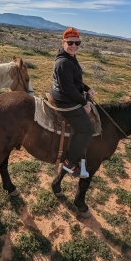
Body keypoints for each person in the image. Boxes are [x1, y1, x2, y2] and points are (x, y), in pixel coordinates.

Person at [49, 27, 96, 176]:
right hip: (64, 100)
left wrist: (87, 88)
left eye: (77, 43)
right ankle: (69, 163)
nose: (74, 46)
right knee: (87, 130)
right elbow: (69, 89)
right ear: (63, 43)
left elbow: (75, 81)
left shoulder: (70, 58)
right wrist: (84, 102)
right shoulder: (63, 62)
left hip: (66, 94)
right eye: (70, 42)